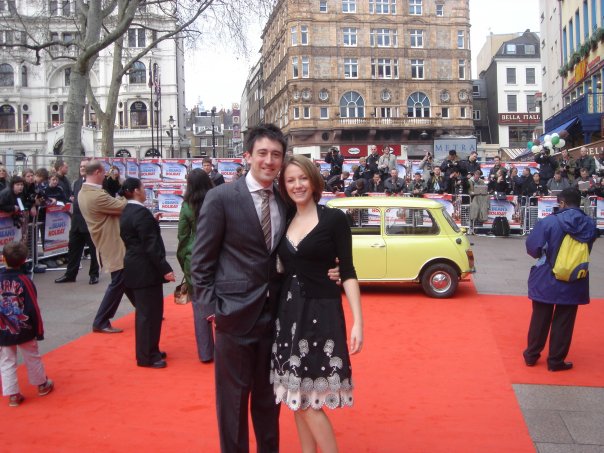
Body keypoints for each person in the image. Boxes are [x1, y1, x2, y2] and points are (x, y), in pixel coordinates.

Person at [191, 123, 342, 453]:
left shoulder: (286, 199)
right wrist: (212, 311)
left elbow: (304, 245)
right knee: (232, 404)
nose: (269, 161)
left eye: (276, 155)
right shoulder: (220, 199)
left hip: (277, 317)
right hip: (233, 317)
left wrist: (333, 269)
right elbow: (200, 264)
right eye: (263, 153)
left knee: (269, 400)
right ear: (248, 156)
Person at [271, 155, 363, 452]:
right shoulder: (284, 218)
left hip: (321, 315)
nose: (297, 185)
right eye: (290, 180)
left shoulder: (333, 218)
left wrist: (358, 321)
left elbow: (347, 271)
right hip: (288, 315)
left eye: (302, 178)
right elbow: (282, 266)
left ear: (313, 181)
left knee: (311, 400)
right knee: (297, 397)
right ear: (284, 187)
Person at [523, 188, 597, 371]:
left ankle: (532, 355)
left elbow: (533, 248)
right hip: (574, 277)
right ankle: (556, 361)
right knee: (564, 321)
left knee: (540, 317)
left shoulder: (548, 222)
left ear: (562, 202)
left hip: (547, 276)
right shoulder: (589, 224)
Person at [119, 178, 175, 368]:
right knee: (148, 314)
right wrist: (165, 268)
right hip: (144, 268)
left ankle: (152, 349)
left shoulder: (128, 211)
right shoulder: (140, 213)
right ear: (136, 191)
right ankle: (146, 355)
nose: (145, 191)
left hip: (136, 265)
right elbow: (151, 246)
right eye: (143, 188)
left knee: (150, 312)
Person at [78, 160, 133, 334]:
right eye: (104, 173)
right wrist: (127, 190)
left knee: (124, 277)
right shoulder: (96, 195)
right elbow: (123, 206)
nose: (106, 176)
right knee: (119, 280)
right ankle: (101, 320)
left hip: (108, 239)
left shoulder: (86, 192)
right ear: (97, 172)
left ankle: (146, 308)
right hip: (111, 241)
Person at [0, 241, 54, 407]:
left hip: (3, 328)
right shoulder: (25, 281)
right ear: (24, 260)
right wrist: (39, 330)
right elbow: (33, 307)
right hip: (25, 328)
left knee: (7, 360)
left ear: (3, 259)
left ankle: (13, 395)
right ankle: (41, 384)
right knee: (32, 356)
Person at [177, 168, 215, 363]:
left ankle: (206, 352)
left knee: (200, 308)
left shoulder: (186, 206)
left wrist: (182, 260)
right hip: (219, 256)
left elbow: (182, 237)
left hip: (196, 258)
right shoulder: (216, 200)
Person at [55, 160, 100, 285]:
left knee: (93, 250)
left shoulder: (95, 183)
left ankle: (94, 274)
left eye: (85, 166)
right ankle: (70, 274)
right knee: (74, 250)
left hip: (90, 222)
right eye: (80, 166)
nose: (82, 168)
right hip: (76, 222)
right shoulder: (77, 182)